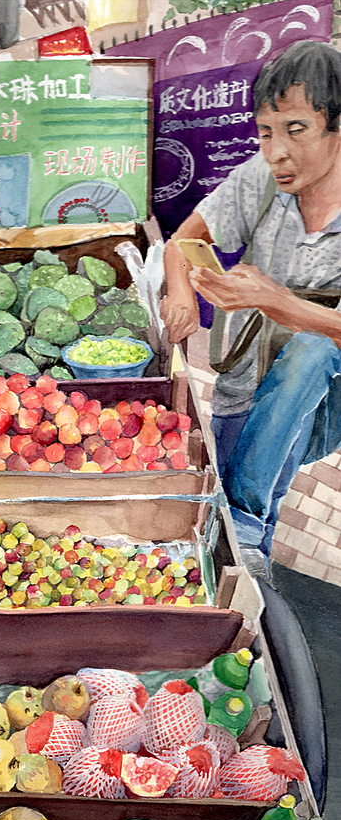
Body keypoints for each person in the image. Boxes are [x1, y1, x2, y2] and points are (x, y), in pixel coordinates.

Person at [161, 39, 341, 577]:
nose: (275, 151)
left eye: (295, 129)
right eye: (265, 132)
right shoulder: (258, 182)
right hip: (241, 388)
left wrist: (277, 301)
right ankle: (245, 557)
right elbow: (180, 243)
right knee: (243, 491)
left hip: (323, 399)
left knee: (309, 355)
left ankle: (242, 536)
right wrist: (181, 292)